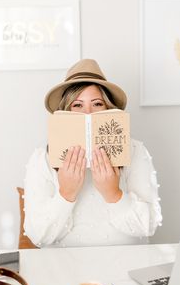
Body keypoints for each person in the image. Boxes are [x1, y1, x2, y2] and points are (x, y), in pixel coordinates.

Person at [24, 59, 162, 247]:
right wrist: (66, 193)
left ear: (108, 109)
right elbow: (38, 237)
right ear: (66, 111)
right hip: (66, 271)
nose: (87, 114)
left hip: (124, 269)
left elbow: (149, 226)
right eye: (77, 105)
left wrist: (113, 193)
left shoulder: (135, 151)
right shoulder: (42, 159)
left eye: (97, 104)